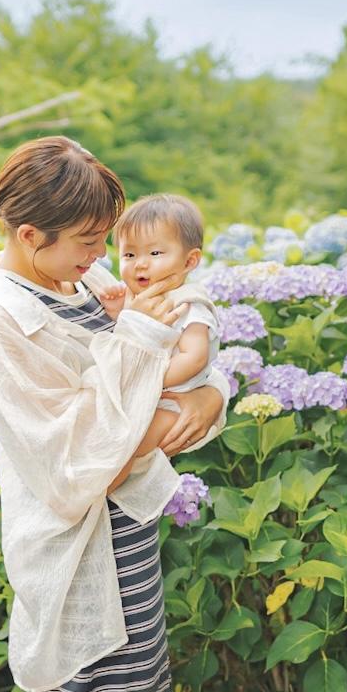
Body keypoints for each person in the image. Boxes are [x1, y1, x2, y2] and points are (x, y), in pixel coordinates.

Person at [0, 136, 228, 692]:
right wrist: (150, 360)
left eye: (103, 237)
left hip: (126, 538)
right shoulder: (1, 319)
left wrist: (210, 397)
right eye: (87, 239)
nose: (101, 255)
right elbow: (74, 460)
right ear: (28, 234)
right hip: (77, 550)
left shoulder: (78, 280)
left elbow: (178, 357)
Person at [96, 194, 220, 493]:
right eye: (129, 255)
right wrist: (119, 315)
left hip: (174, 402)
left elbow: (195, 357)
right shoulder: (135, 298)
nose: (140, 265)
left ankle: (104, 488)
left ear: (190, 260)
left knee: (132, 442)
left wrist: (150, 379)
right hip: (146, 396)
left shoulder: (189, 305)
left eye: (154, 254)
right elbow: (129, 340)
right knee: (120, 439)